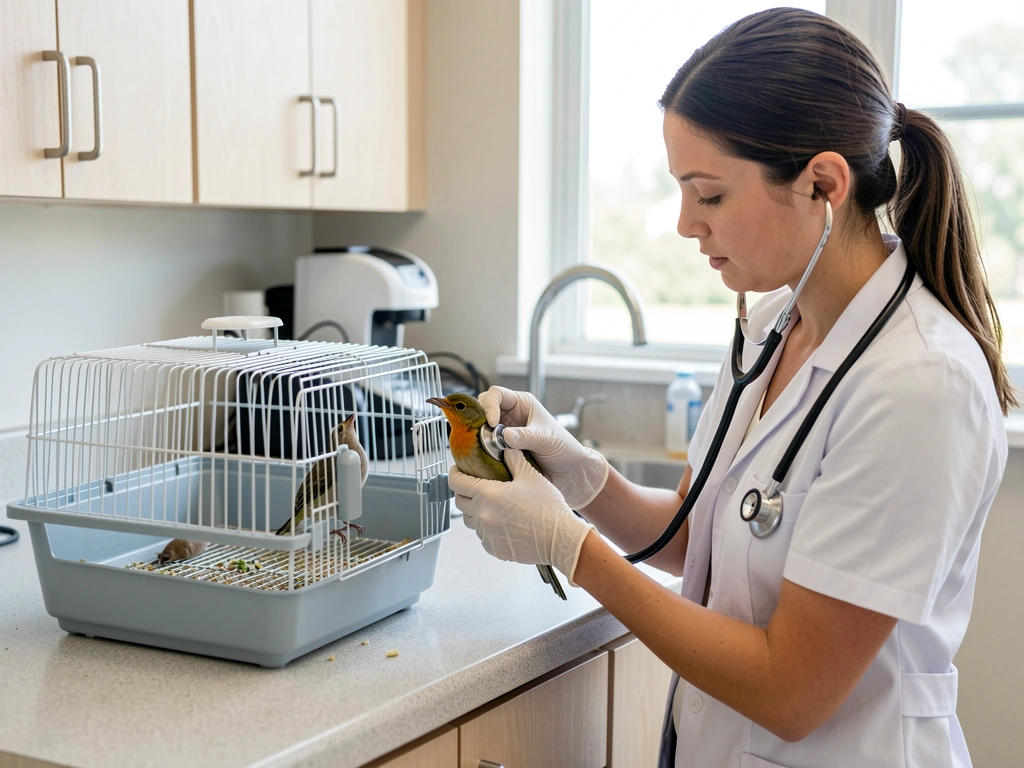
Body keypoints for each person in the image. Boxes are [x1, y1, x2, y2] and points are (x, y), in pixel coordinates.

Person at [448, 7, 1013, 768]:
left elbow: (792, 692)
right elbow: (695, 537)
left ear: (822, 183)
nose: (686, 224)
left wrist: (570, 548)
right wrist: (581, 476)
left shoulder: (919, 384)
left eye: (709, 195)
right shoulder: (774, 326)